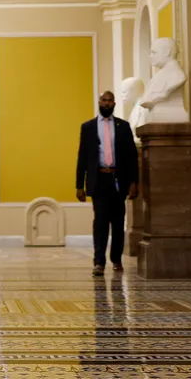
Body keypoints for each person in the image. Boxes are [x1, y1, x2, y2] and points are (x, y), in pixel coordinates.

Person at [75, 91, 138, 275]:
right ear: (99, 102)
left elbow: (132, 157)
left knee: (118, 222)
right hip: (99, 179)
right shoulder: (88, 127)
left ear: (114, 103)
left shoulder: (123, 127)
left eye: (110, 100)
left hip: (118, 179)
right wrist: (79, 185)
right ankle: (99, 262)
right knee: (100, 221)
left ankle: (116, 259)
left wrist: (134, 181)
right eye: (104, 100)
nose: (107, 103)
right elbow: (83, 157)